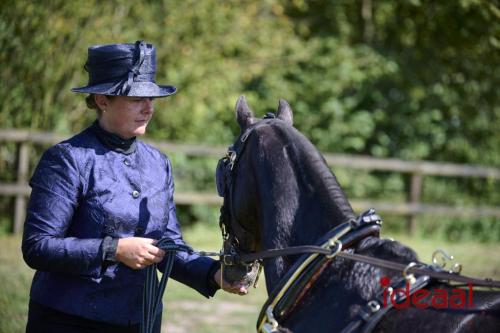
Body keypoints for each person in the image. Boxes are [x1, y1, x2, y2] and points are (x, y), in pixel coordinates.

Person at [22, 40, 247, 333]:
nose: (148, 108)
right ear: (102, 101)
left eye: (151, 99)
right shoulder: (67, 159)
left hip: (142, 320)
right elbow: (38, 246)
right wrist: (114, 249)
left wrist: (215, 275)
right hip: (69, 320)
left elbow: (168, 244)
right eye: (136, 99)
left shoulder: (158, 163)